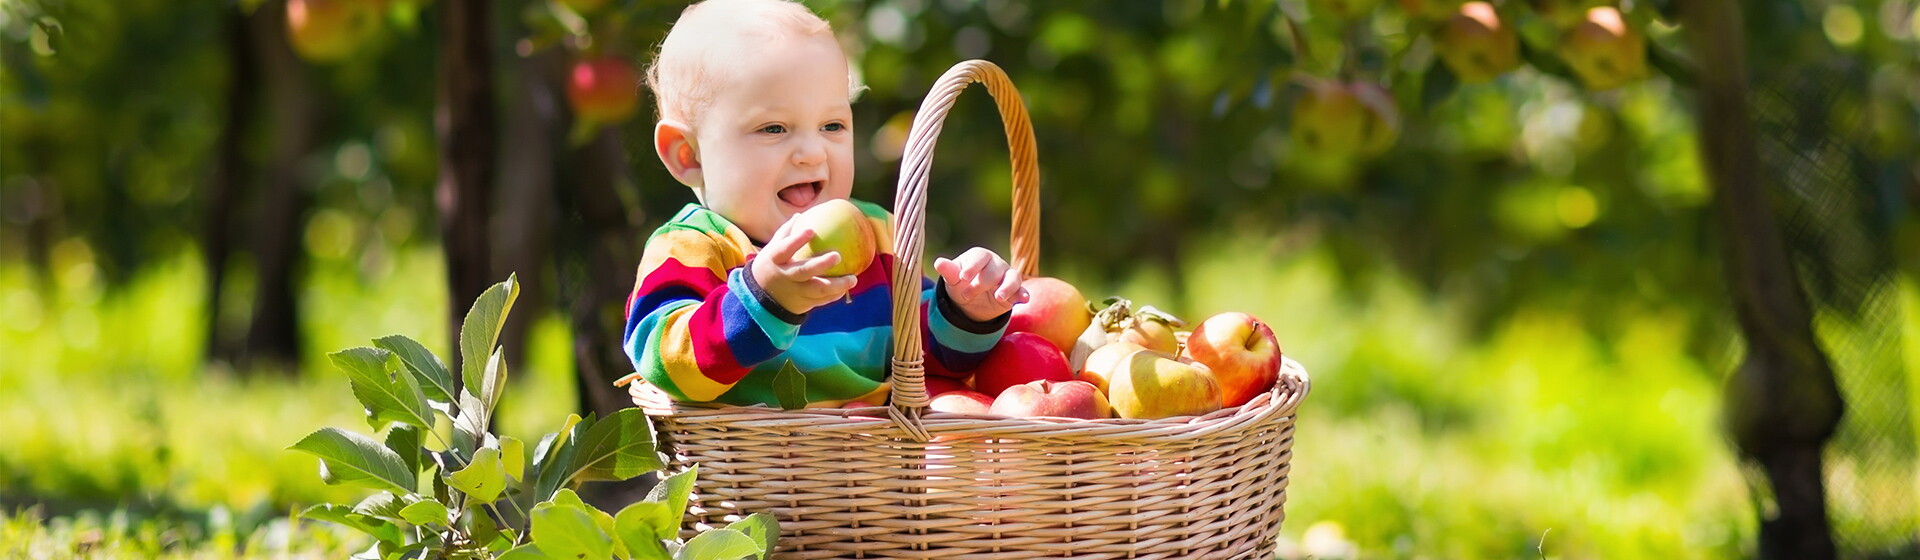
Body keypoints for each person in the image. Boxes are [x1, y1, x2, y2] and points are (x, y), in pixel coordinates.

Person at [624, 0, 1026, 407]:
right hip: (754, 450)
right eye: (773, 128)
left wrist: (966, 310)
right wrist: (764, 299)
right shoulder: (692, 249)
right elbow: (665, 364)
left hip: (879, 448)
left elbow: (928, 359)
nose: (813, 153)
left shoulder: (878, 237)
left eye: (832, 125)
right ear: (688, 155)